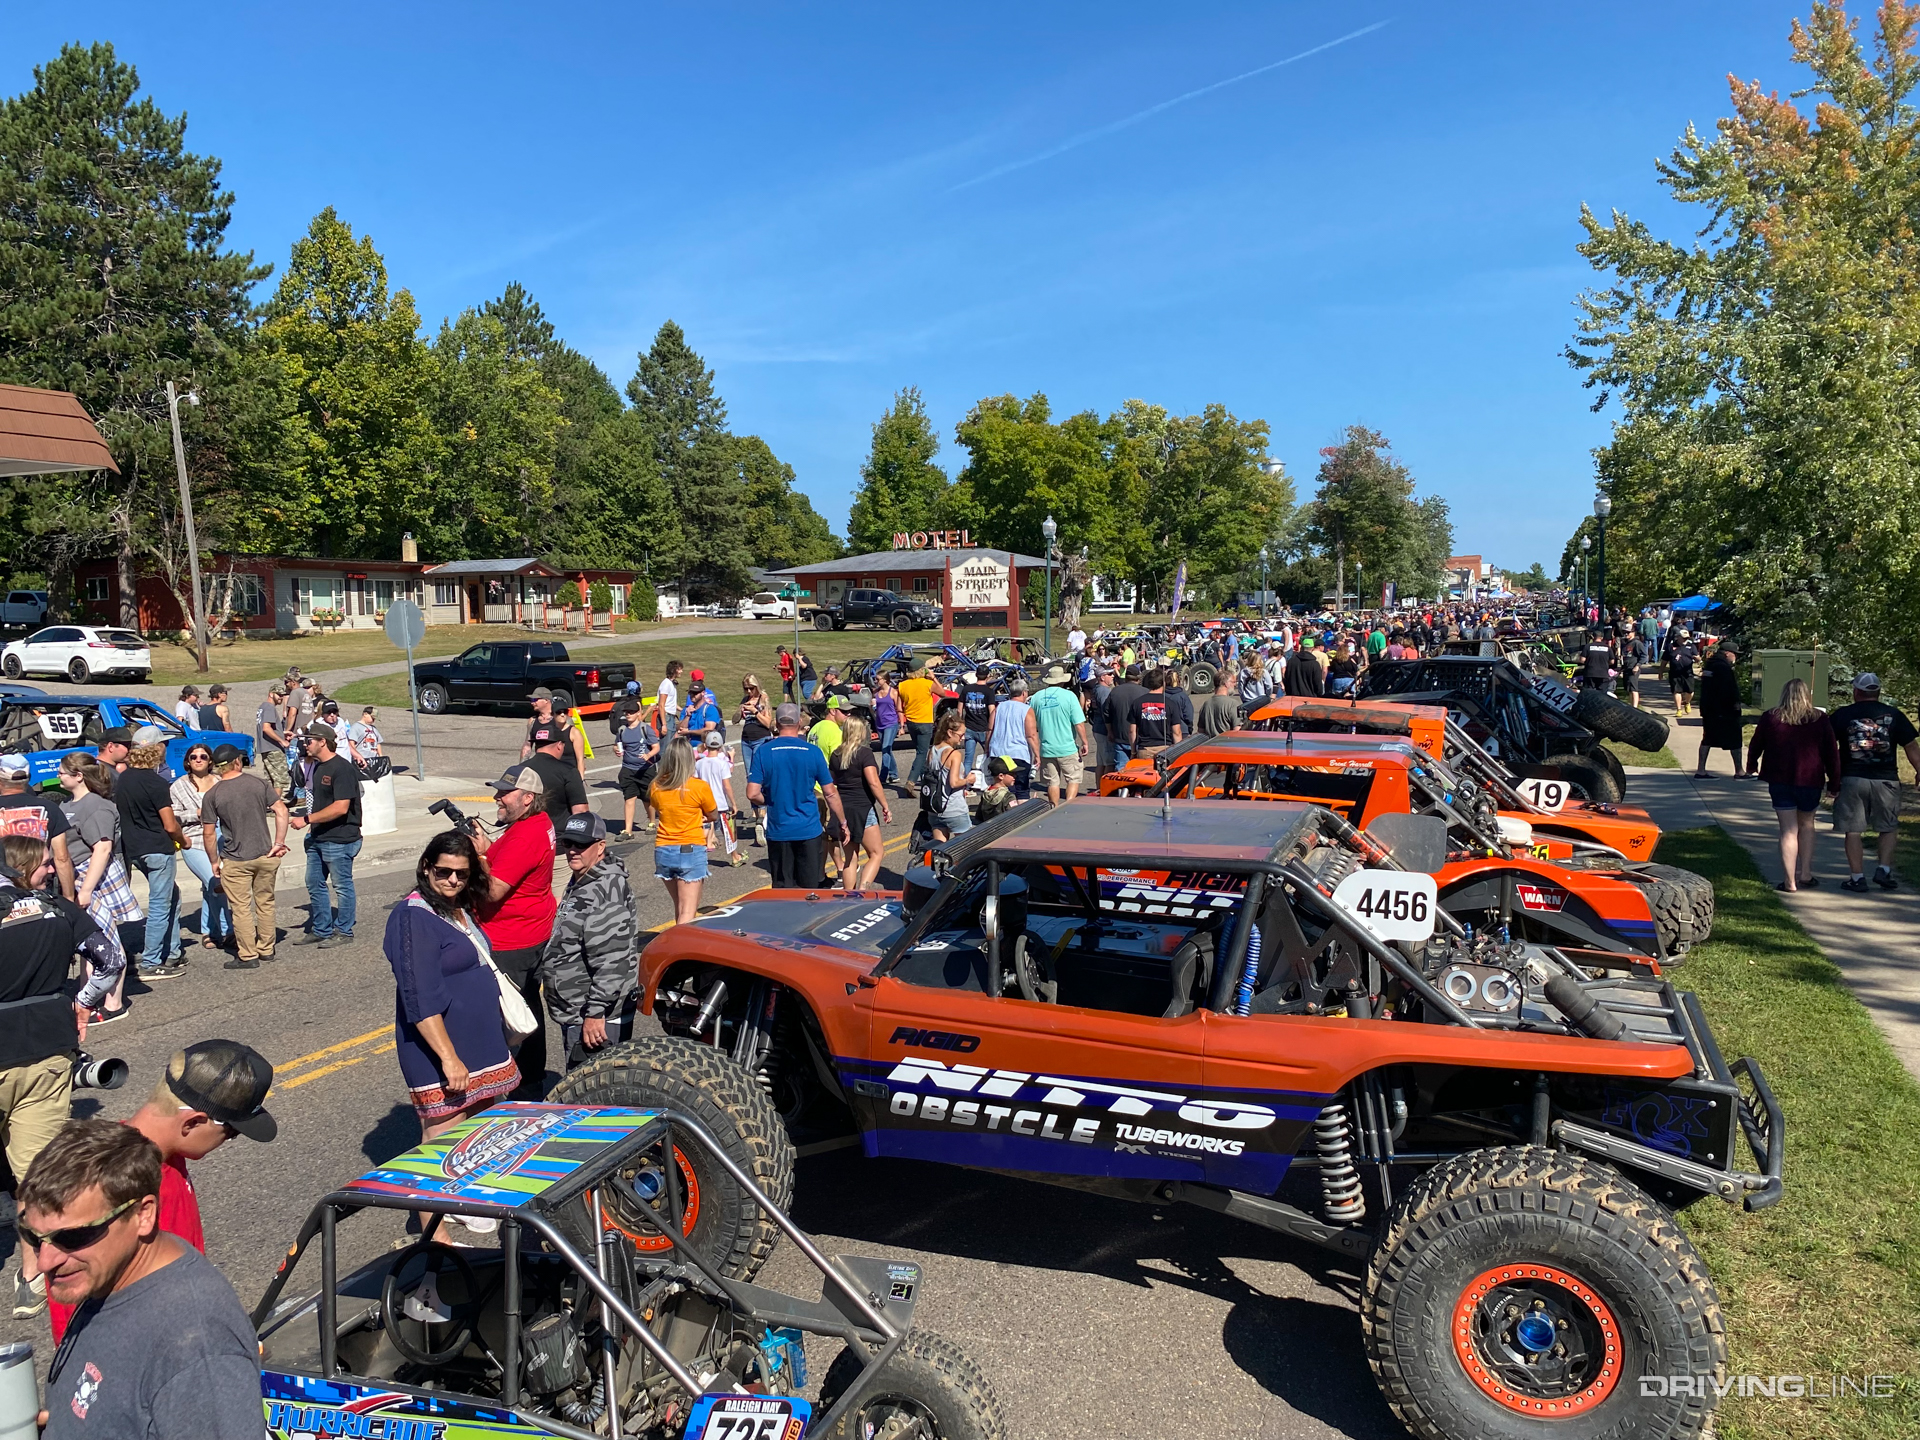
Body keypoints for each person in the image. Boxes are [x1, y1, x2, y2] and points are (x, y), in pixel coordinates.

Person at [24, 1119, 263, 1439]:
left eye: (73, 1236)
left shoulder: (196, 1349)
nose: (44, 1261)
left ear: (143, 1215)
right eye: (34, 1237)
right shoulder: (110, 1278)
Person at [46, 1039, 276, 1341]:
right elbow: (80, 1302)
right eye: (231, 1131)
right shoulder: (115, 1183)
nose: (231, 1140)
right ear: (192, 1122)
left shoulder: (167, 1155)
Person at [0, 833, 122, 1318]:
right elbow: (110, 960)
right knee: (35, 1172)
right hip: (47, 1049)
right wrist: (82, 1004)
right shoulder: (59, 911)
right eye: (45, 864)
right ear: (22, 866)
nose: (52, 870)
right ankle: (33, 1273)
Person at [381, 832, 520, 1176]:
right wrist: (449, 1058)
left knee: (482, 1123)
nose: (454, 880)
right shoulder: (413, 917)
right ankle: (434, 1224)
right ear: (426, 868)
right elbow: (419, 996)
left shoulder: (454, 906)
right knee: (443, 1135)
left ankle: (472, 1199)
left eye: (462, 873)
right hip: (441, 1048)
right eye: (444, 872)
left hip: (478, 1041)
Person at [472, 763, 557, 1098]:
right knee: (528, 1009)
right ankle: (531, 1079)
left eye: (505, 793)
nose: (498, 798)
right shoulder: (537, 823)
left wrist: (478, 857)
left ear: (527, 798)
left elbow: (493, 890)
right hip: (531, 929)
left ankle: (516, 1089)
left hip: (510, 941)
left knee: (510, 1017)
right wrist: (488, 848)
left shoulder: (524, 835)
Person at [542, 812, 639, 1069]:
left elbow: (612, 958)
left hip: (596, 1015)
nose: (573, 851)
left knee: (594, 1096)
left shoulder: (606, 888)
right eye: (568, 844)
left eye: (581, 845)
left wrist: (596, 1012)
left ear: (601, 846)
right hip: (578, 1009)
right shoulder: (583, 879)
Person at [57, 756, 137, 1022]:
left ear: (79, 775)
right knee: (88, 942)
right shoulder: (69, 804)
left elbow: (102, 848)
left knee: (108, 941)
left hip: (94, 877)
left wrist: (87, 889)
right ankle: (86, 998)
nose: (58, 776)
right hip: (77, 876)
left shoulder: (97, 806)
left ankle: (113, 1005)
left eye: (62, 772)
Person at [1826, 673, 1920, 893]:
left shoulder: (1842, 715)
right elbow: (1911, 746)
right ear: (1877, 692)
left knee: (1853, 829)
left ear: (1856, 691)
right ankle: (1884, 869)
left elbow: (1828, 748)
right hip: (1886, 778)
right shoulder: (1894, 715)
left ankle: (1857, 877)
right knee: (1888, 826)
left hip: (1851, 778)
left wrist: (1830, 776)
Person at [1744, 678, 1839, 892]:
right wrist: (1834, 782)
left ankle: (1789, 881)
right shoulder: (1820, 719)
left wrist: (1751, 765)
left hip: (1780, 779)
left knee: (1788, 830)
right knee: (1807, 825)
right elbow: (1831, 753)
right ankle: (1805, 873)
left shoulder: (1772, 717)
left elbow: (1756, 743)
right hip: (1810, 779)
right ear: (1807, 695)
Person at [200, 744, 289, 970]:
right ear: (237, 762)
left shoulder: (213, 794)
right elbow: (282, 810)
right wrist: (278, 842)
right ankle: (266, 948)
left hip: (235, 857)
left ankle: (248, 954)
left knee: (241, 908)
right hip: (264, 853)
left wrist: (213, 861)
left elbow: (209, 832)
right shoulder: (259, 784)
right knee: (265, 902)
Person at [748, 702, 844, 889]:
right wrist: (842, 821)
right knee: (809, 887)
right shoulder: (812, 752)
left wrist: (769, 800)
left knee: (783, 888)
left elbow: (752, 793)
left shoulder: (764, 751)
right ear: (799, 723)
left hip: (779, 830)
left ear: (776, 723)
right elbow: (830, 792)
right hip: (808, 828)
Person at [116, 736, 186, 977]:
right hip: (157, 846)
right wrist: (183, 839)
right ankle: (151, 961)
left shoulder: (122, 779)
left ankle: (173, 952)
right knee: (160, 904)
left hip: (134, 847)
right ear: (156, 749)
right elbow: (169, 824)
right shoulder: (156, 783)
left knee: (172, 896)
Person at [291, 723, 361, 946]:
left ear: (323, 742)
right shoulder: (317, 766)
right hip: (318, 836)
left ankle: (344, 931)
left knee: (342, 885)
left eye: (309, 741)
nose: (305, 745)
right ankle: (322, 928)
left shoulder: (342, 769)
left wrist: (307, 819)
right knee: (314, 882)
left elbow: (341, 807)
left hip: (340, 837)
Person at [650, 737, 720, 922]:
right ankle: (680, 949)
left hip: (664, 848)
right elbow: (713, 814)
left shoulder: (656, 786)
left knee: (680, 908)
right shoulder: (698, 786)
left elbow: (659, 809)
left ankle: (683, 942)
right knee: (687, 912)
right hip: (690, 847)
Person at [168, 744, 230, 952]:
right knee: (216, 883)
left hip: (220, 838)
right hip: (193, 840)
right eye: (193, 756)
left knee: (208, 888)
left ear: (210, 760)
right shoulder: (178, 785)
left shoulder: (221, 782)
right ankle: (227, 931)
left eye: (203, 756)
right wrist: (196, 813)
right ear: (187, 761)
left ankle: (207, 931)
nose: (198, 759)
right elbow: (173, 815)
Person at [0, 751, 76, 898]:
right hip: (39, 886)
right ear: (28, 779)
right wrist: (69, 898)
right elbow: (62, 858)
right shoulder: (50, 808)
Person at [830, 715, 891, 891]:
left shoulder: (836, 754)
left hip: (843, 809)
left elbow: (832, 784)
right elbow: (873, 782)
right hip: (863, 808)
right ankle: (862, 890)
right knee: (876, 853)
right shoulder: (864, 753)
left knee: (850, 857)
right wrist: (885, 805)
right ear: (860, 732)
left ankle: (849, 895)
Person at [1030, 663, 1090, 805]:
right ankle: (1067, 805)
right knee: (1073, 778)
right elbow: (1078, 723)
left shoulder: (1036, 698)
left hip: (1047, 747)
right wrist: (1085, 742)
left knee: (1052, 781)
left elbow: (1031, 723)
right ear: (1062, 680)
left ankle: (1054, 807)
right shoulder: (1069, 696)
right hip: (1067, 747)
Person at [1694, 643, 1745, 779]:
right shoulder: (1723, 667)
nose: (1736, 657)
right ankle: (1739, 771)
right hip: (1724, 710)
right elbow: (1728, 690)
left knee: (1707, 739)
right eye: (1735, 654)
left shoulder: (1711, 664)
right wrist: (1734, 705)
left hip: (1709, 709)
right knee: (1735, 739)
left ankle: (1701, 770)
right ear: (1728, 653)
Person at [522, 721, 591, 823]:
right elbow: (580, 811)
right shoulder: (569, 772)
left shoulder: (521, 769)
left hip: (527, 832)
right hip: (558, 834)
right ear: (559, 745)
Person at [696, 730, 746, 867]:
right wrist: (733, 803)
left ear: (705, 745)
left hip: (704, 802)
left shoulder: (699, 763)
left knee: (704, 828)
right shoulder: (722, 763)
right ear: (720, 746)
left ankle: (700, 856)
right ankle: (735, 856)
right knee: (728, 830)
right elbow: (727, 785)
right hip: (720, 801)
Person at [987, 674, 1040, 799]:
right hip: (1018, 754)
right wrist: (1037, 755)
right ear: (1024, 693)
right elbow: (1031, 735)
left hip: (998, 753)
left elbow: (990, 729)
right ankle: (1022, 816)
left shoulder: (999, 707)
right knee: (1021, 789)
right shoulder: (1026, 709)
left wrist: (987, 748)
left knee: (1001, 788)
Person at [922, 712, 972, 841]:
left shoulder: (932, 751)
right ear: (950, 733)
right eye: (960, 735)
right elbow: (954, 782)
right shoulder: (953, 754)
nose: (963, 738)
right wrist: (968, 780)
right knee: (964, 848)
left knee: (940, 850)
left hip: (935, 808)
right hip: (953, 808)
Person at [615, 700, 661, 837]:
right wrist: (616, 750)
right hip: (628, 769)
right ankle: (628, 830)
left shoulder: (645, 729)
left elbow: (656, 747)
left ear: (638, 713)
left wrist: (648, 755)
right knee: (629, 798)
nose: (628, 714)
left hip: (645, 769)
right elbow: (617, 744)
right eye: (626, 712)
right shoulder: (622, 730)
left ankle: (652, 821)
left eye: (631, 712)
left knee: (648, 799)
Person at [897, 660, 946, 786]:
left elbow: (899, 708)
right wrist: (933, 677)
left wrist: (902, 724)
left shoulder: (902, 685)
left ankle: (925, 778)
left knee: (919, 750)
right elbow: (943, 693)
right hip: (924, 721)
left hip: (911, 723)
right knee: (922, 753)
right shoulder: (927, 683)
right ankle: (911, 780)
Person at [1125, 668, 1180, 760]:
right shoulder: (1170, 704)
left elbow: (1132, 731)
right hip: (1166, 750)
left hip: (1145, 750)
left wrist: (1133, 751)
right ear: (1164, 683)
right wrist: (1178, 752)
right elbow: (1176, 732)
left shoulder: (1137, 703)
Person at [1106, 665, 1147, 769]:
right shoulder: (1145, 692)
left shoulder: (1115, 691)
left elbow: (1106, 713)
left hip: (1120, 736)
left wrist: (1109, 731)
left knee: (1121, 770)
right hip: (1140, 739)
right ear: (1138, 677)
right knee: (1141, 770)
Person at [255, 684, 291, 797]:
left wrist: (282, 733)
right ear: (271, 694)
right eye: (278, 695)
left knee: (271, 778)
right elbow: (266, 728)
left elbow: (267, 727)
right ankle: (277, 805)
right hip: (273, 748)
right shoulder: (269, 707)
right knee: (280, 779)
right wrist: (282, 741)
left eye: (282, 695)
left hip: (265, 747)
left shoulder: (263, 707)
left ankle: (270, 805)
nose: (281, 697)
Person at [958, 670, 995, 774]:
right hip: (984, 729)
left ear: (976, 675)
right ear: (988, 676)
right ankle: (990, 779)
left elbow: (959, 709)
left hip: (969, 728)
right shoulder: (989, 691)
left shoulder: (967, 689)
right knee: (989, 756)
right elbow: (992, 711)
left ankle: (964, 781)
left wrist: (960, 724)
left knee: (968, 758)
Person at [871, 672, 902, 789]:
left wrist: (902, 726)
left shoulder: (893, 692)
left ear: (885, 680)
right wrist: (872, 704)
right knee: (887, 749)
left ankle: (882, 777)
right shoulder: (876, 692)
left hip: (891, 723)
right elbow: (873, 707)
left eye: (878, 679)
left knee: (885, 749)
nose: (876, 681)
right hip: (879, 724)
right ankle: (894, 775)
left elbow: (899, 709)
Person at [1196, 669, 1243, 737]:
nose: (1235, 685)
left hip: (1210, 745)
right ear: (1226, 684)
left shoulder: (1206, 704)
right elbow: (1237, 731)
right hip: (1226, 745)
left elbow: (1200, 732)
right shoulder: (1233, 704)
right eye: (1233, 682)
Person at [975, 755, 1020, 823]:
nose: (1015, 777)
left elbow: (979, 817)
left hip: (989, 830)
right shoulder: (1009, 797)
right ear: (1001, 776)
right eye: (1012, 774)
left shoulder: (986, 793)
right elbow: (1015, 817)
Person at [679, 680, 724, 747]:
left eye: (695, 693)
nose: (692, 695)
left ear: (703, 693)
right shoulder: (686, 709)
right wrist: (688, 716)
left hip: (705, 748)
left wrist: (689, 731)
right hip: (689, 748)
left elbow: (709, 730)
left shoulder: (710, 709)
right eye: (690, 693)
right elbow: (680, 729)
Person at [1667, 632, 1698, 718]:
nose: (1685, 639)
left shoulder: (1691, 646)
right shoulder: (1671, 646)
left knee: (1690, 691)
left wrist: (1697, 659)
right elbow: (1665, 660)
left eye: (1687, 638)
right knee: (1677, 691)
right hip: (1675, 673)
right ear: (1678, 637)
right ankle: (1679, 709)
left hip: (1687, 673)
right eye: (1683, 638)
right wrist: (1661, 671)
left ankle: (1687, 702)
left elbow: (1697, 657)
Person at [809, 694, 845, 764]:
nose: (849, 714)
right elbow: (838, 761)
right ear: (833, 711)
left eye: (850, 711)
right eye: (844, 711)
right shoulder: (835, 732)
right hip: (828, 773)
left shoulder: (815, 727)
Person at [655, 661, 684, 740]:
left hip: (671, 718)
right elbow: (661, 705)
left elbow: (672, 702)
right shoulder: (666, 684)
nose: (681, 671)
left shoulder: (671, 684)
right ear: (674, 670)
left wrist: (683, 710)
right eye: (679, 669)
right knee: (665, 747)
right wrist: (664, 725)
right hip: (666, 718)